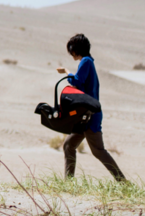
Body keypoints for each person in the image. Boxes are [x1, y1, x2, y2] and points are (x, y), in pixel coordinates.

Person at [55, 33, 126, 181]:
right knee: (69, 145)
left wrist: (67, 72)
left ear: (76, 49)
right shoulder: (87, 62)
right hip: (84, 115)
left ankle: (123, 182)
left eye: (71, 50)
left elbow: (77, 82)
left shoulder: (86, 61)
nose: (71, 53)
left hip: (90, 115)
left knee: (98, 151)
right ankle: (68, 183)